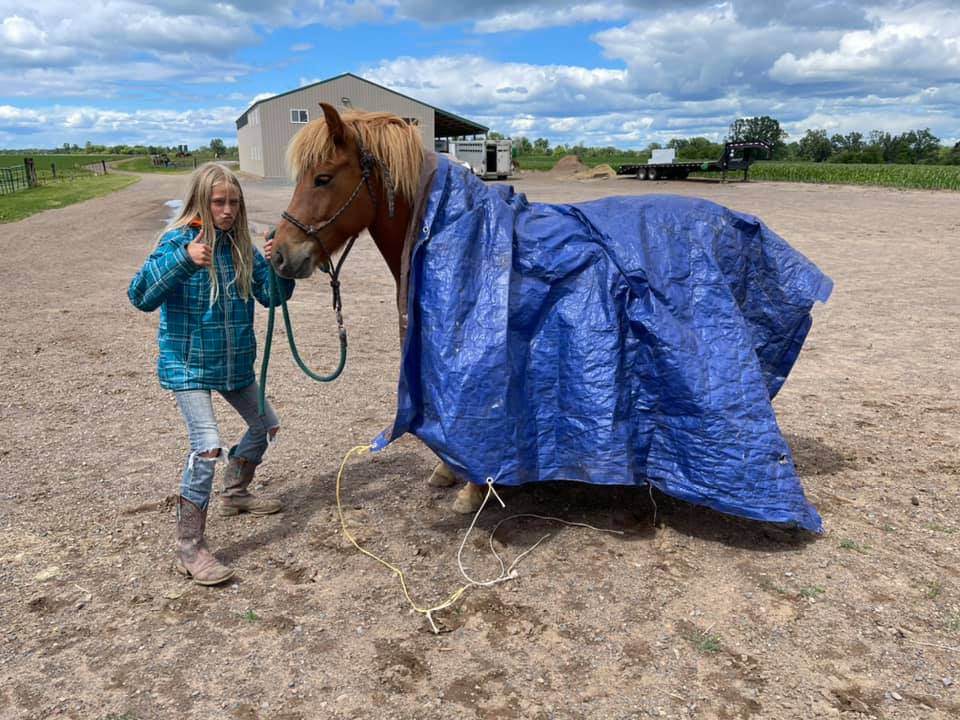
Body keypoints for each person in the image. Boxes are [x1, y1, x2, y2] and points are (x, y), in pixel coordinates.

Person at [128, 162, 295, 585]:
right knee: (206, 447)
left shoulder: (241, 248)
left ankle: (236, 493)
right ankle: (191, 547)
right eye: (219, 202)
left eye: (233, 202)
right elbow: (141, 296)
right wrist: (184, 261)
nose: (227, 210)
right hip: (188, 365)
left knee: (266, 426)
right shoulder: (178, 242)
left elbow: (270, 297)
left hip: (234, 364)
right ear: (201, 202)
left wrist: (280, 266)